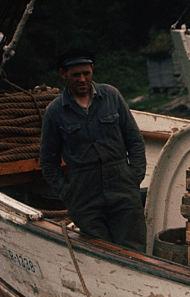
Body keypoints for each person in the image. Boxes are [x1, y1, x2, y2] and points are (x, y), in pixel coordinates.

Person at [39, 49, 147, 251]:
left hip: (122, 188)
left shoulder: (111, 96)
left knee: (134, 251)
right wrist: (67, 192)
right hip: (84, 195)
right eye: (76, 75)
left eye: (86, 73)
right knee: (100, 254)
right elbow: (47, 161)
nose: (82, 79)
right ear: (64, 74)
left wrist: (134, 177)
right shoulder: (55, 111)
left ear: (92, 71)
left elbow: (135, 141)